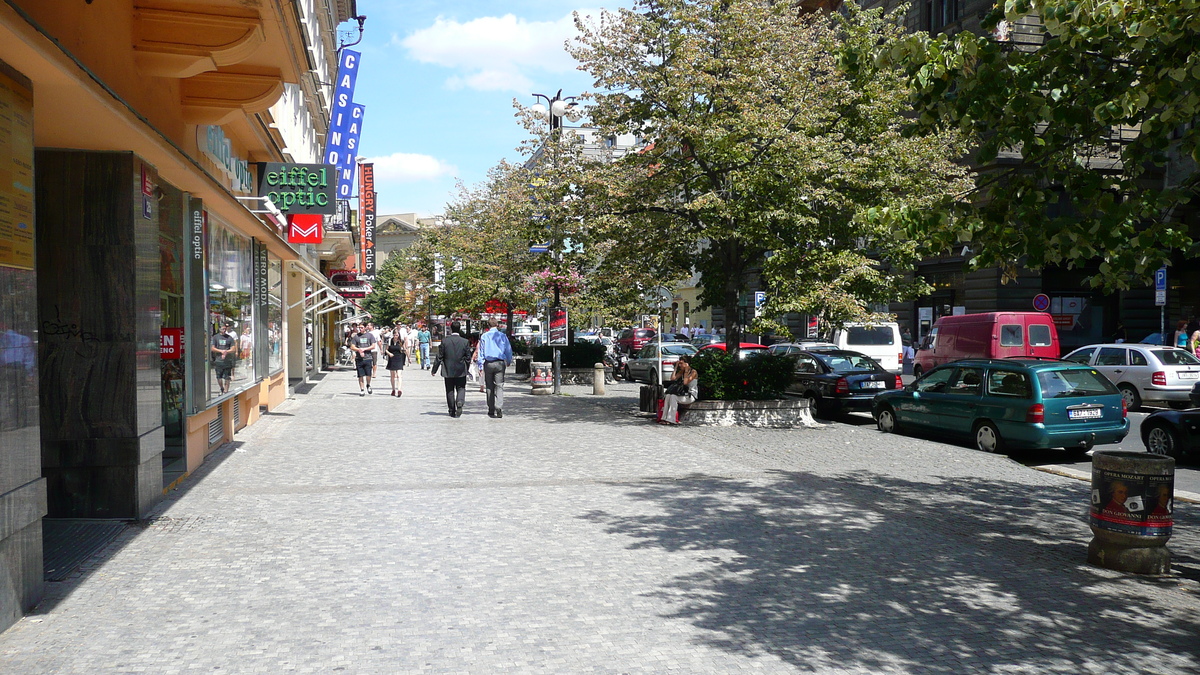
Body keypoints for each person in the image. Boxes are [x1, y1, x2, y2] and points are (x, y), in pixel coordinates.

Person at [432, 320, 471, 417]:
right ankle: (460, 402)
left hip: (448, 369)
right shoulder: (465, 342)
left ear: (451, 329)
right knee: (461, 388)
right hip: (461, 369)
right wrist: (467, 367)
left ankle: (451, 410)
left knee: (449, 390)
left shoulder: (445, 341)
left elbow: (439, 357)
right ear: (459, 329)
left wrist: (434, 369)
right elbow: (468, 358)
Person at [479, 318, 513, 418]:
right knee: (499, 385)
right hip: (499, 362)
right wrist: (509, 360)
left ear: (488, 325)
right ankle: (499, 406)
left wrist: (480, 365)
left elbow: (481, 352)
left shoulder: (484, 336)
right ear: (497, 324)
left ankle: (491, 409)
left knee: (489, 386)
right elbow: (508, 349)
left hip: (488, 363)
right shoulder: (502, 336)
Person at [660, 355, 699, 425]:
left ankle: (671, 419)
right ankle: (664, 418)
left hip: (690, 395)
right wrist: (676, 367)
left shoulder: (693, 372)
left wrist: (686, 371)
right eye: (679, 363)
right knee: (668, 395)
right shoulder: (682, 371)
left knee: (673, 397)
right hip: (683, 394)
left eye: (681, 363)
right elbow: (672, 378)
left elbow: (685, 382)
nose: (680, 365)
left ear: (686, 363)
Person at [349, 324, 378, 396]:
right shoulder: (356, 336)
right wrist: (359, 350)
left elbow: (373, 345)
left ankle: (368, 385)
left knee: (368, 374)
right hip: (359, 358)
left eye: (362, 327)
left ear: (365, 328)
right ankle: (362, 389)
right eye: (359, 328)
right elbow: (352, 346)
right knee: (360, 375)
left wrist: (364, 349)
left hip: (368, 357)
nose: (360, 329)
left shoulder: (370, 335)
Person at [210, 322, 238, 394]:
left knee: (227, 377)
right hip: (219, 360)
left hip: (227, 360)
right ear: (219, 329)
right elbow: (212, 348)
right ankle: (221, 388)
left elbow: (233, 349)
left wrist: (226, 352)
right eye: (223, 329)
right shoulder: (216, 337)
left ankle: (226, 390)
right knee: (219, 377)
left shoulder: (229, 338)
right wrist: (221, 351)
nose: (224, 330)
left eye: (225, 329)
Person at [385, 327, 407, 396]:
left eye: (397, 335)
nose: (395, 337)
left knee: (399, 375)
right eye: (394, 335)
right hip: (392, 359)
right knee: (392, 375)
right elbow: (386, 350)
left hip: (399, 358)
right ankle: (393, 389)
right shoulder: (390, 341)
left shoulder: (401, 341)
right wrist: (389, 353)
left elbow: (404, 349)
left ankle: (399, 390)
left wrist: (408, 357)